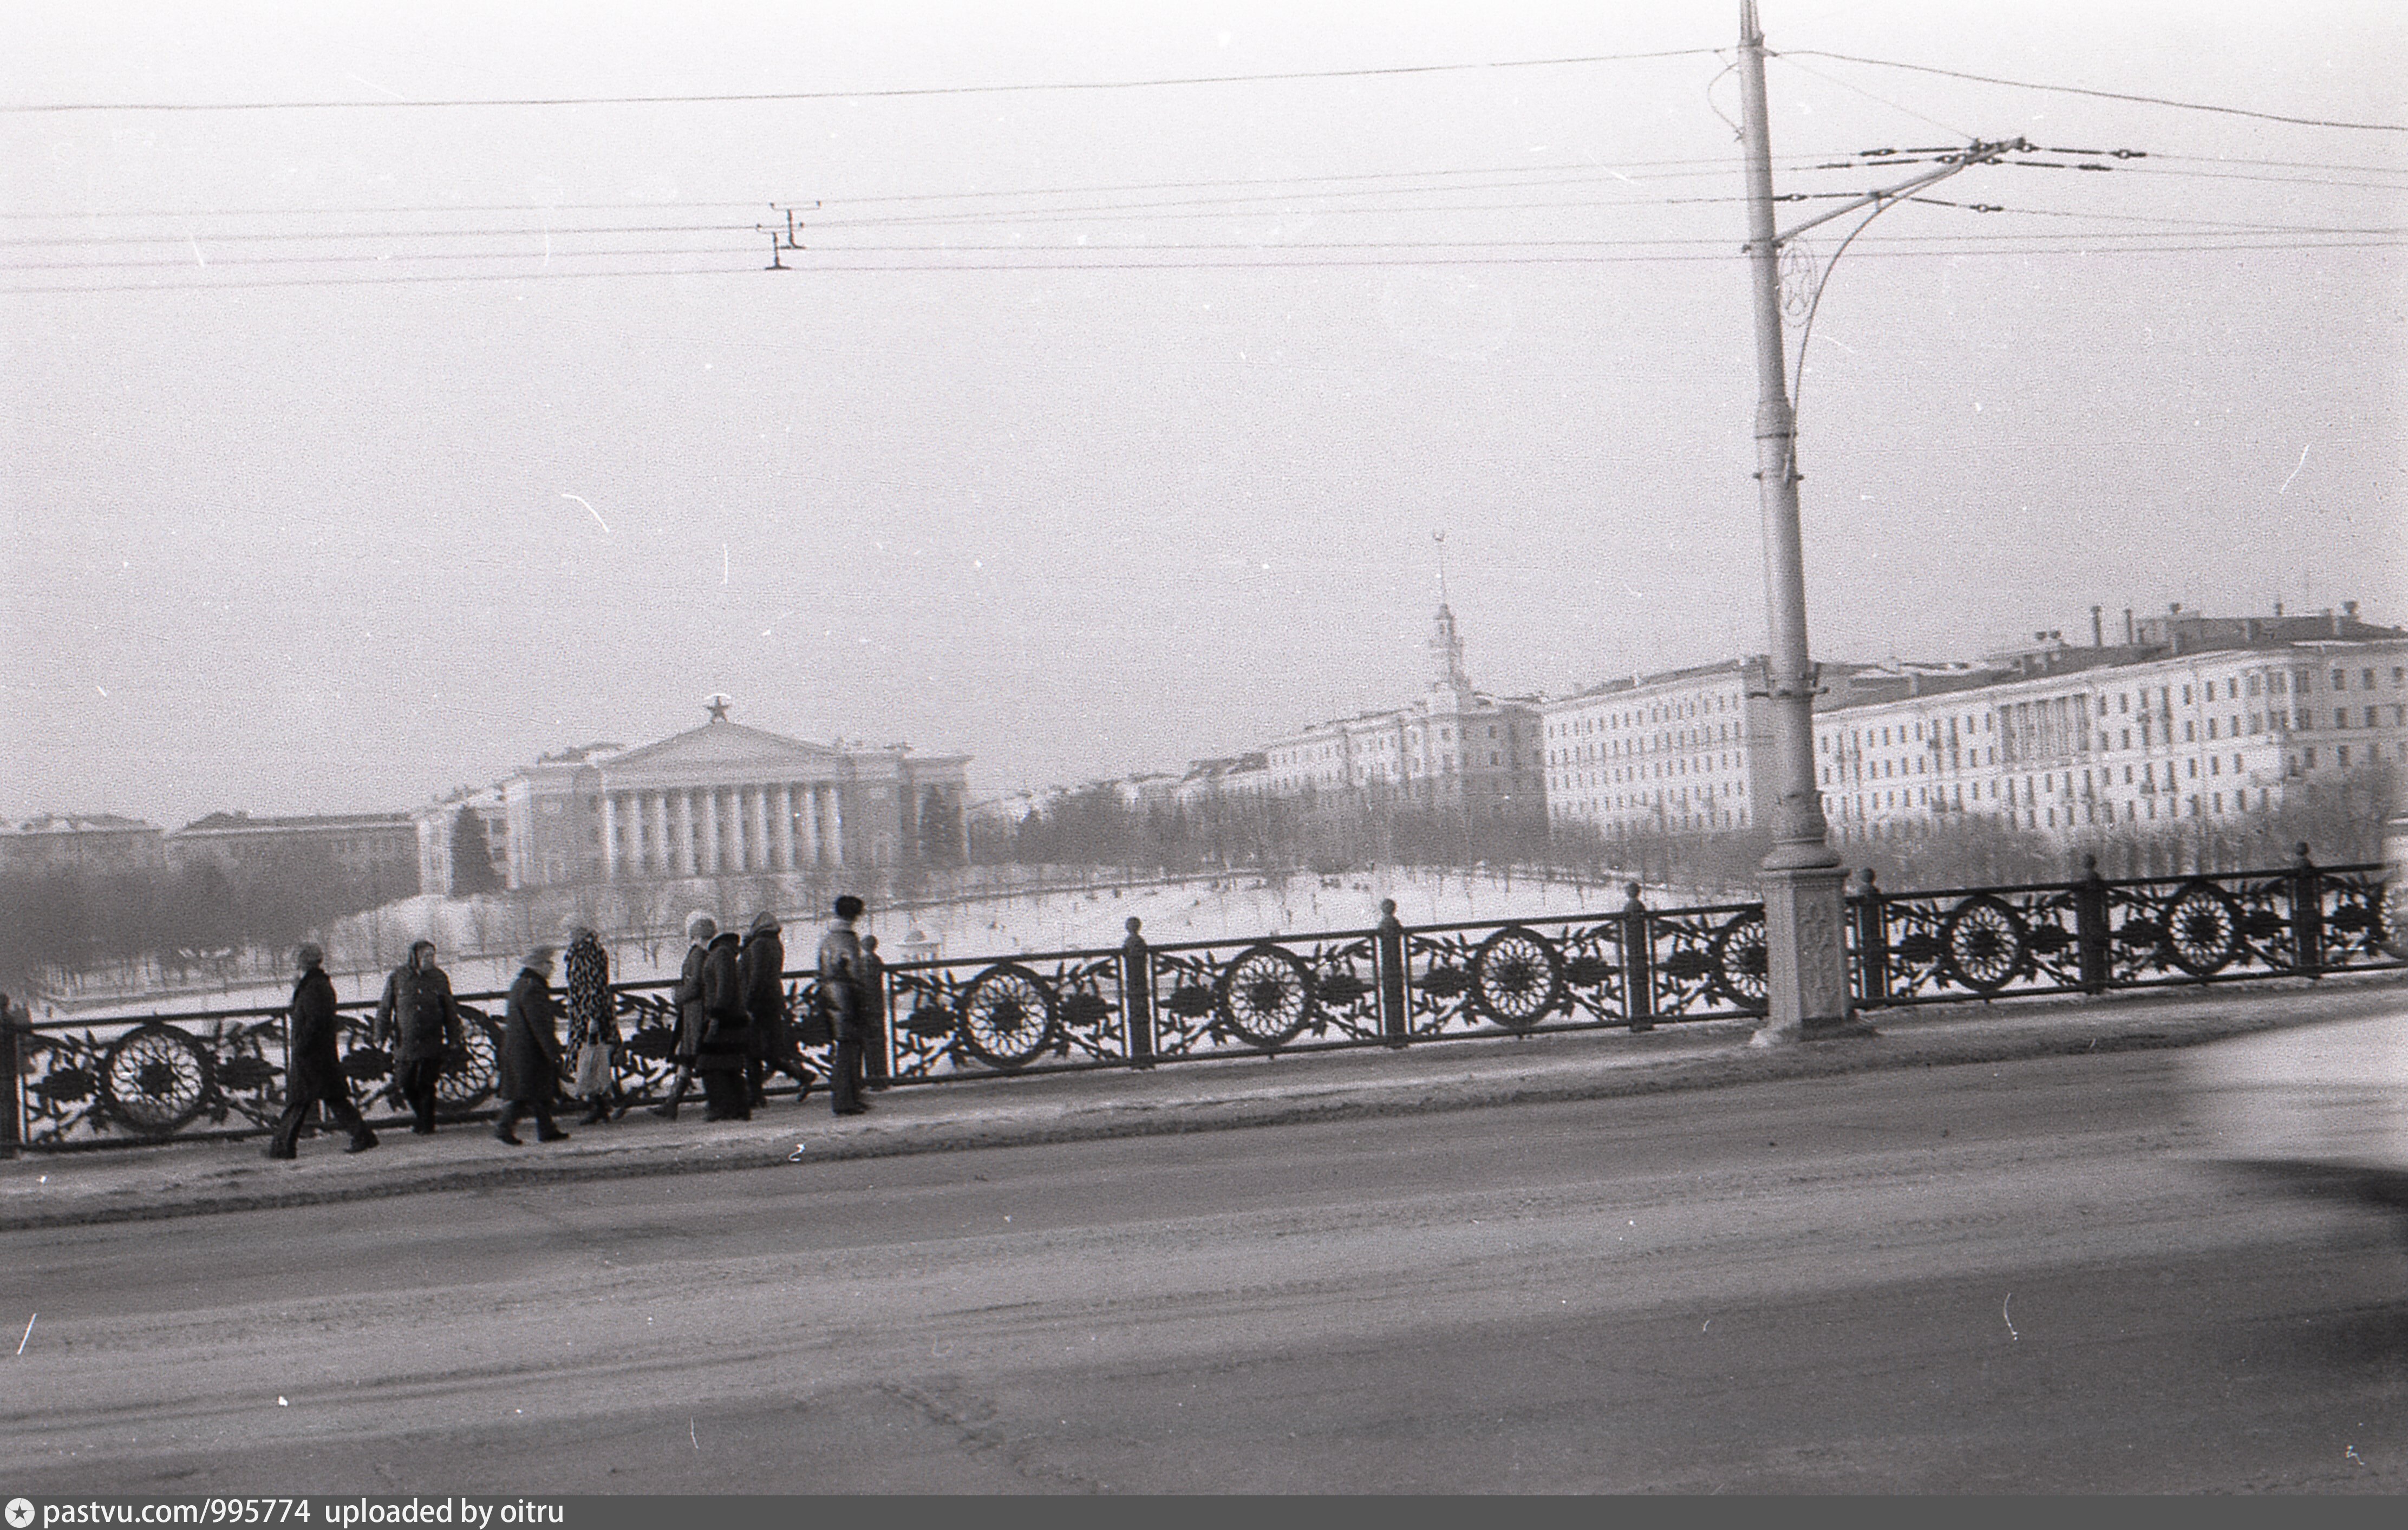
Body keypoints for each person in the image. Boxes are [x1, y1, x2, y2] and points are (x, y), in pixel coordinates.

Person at [265, 943, 376, 1159]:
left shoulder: (314, 987)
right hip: (319, 1054)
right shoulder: (316, 984)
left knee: (301, 1100)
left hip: (312, 1054)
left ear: (303, 962)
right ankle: (362, 1136)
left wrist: (301, 1044)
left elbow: (315, 1021)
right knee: (327, 1098)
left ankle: (283, 1147)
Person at [372, 939, 465, 1134]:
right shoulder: (398, 977)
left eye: (432, 955)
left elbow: (449, 1009)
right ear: (415, 957)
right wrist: (380, 1033)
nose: (430, 959)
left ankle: (427, 1124)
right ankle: (422, 1117)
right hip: (406, 1040)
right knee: (405, 1082)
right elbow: (386, 1007)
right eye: (426, 956)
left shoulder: (439, 978)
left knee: (427, 1083)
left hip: (432, 1038)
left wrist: (454, 1036)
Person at [494, 946, 570, 1145]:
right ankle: (504, 1127)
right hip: (530, 1051)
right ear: (538, 965)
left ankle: (547, 1129)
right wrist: (553, 1051)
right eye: (549, 964)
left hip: (521, 1048)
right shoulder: (533, 989)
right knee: (526, 1093)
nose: (552, 968)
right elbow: (540, 1025)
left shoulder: (521, 984)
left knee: (538, 1092)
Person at [740, 911, 814, 1108]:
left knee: (752, 1051)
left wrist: (748, 1004)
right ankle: (801, 1076)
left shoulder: (759, 945)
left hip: (758, 1004)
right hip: (772, 1001)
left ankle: (756, 1096)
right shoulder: (775, 943)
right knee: (768, 1051)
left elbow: (756, 977)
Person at [652, 912, 715, 1121]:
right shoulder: (705, 953)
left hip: (695, 1012)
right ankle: (673, 1103)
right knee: (690, 1057)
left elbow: (695, 985)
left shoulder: (697, 954)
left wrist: (677, 995)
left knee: (694, 1056)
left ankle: (675, 1103)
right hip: (695, 1012)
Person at [816, 894, 875, 1116]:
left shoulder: (828, 938)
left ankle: (848, 1098)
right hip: (847, 997)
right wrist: (863, 997)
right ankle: (846, 1100)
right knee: (850, 1050)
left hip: (831, 996)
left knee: (844, 1048)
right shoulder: (847, 938)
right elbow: (855, 971)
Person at [563, 921, 621, 1126]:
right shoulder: (582, 951)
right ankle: (602, 1104)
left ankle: (601, 1105)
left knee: (591, 1058)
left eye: (572, 931)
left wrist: (593, 1018)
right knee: (592, 1058)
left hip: (588, 1014)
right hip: (584, 1012)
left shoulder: (588, 953)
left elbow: (594, 986)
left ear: (581, 932)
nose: (569, 935)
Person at [695, 920, 751, 1120]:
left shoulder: (719, 955)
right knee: (729, 1064)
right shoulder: (724, 954)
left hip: (724, 1018)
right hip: (731, 1017)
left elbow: (724, 987)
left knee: (710, 1064)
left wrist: (716, 1015)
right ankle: (738, 1108)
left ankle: (721, 1107)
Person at [859, 933, 890, 1091]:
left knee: (871, 1043)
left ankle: (874, 1078)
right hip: (877, 1007)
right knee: (878, 1042)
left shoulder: (864, 962)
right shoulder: (876, 961)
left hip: (868, 1008)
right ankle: (881, 1078)